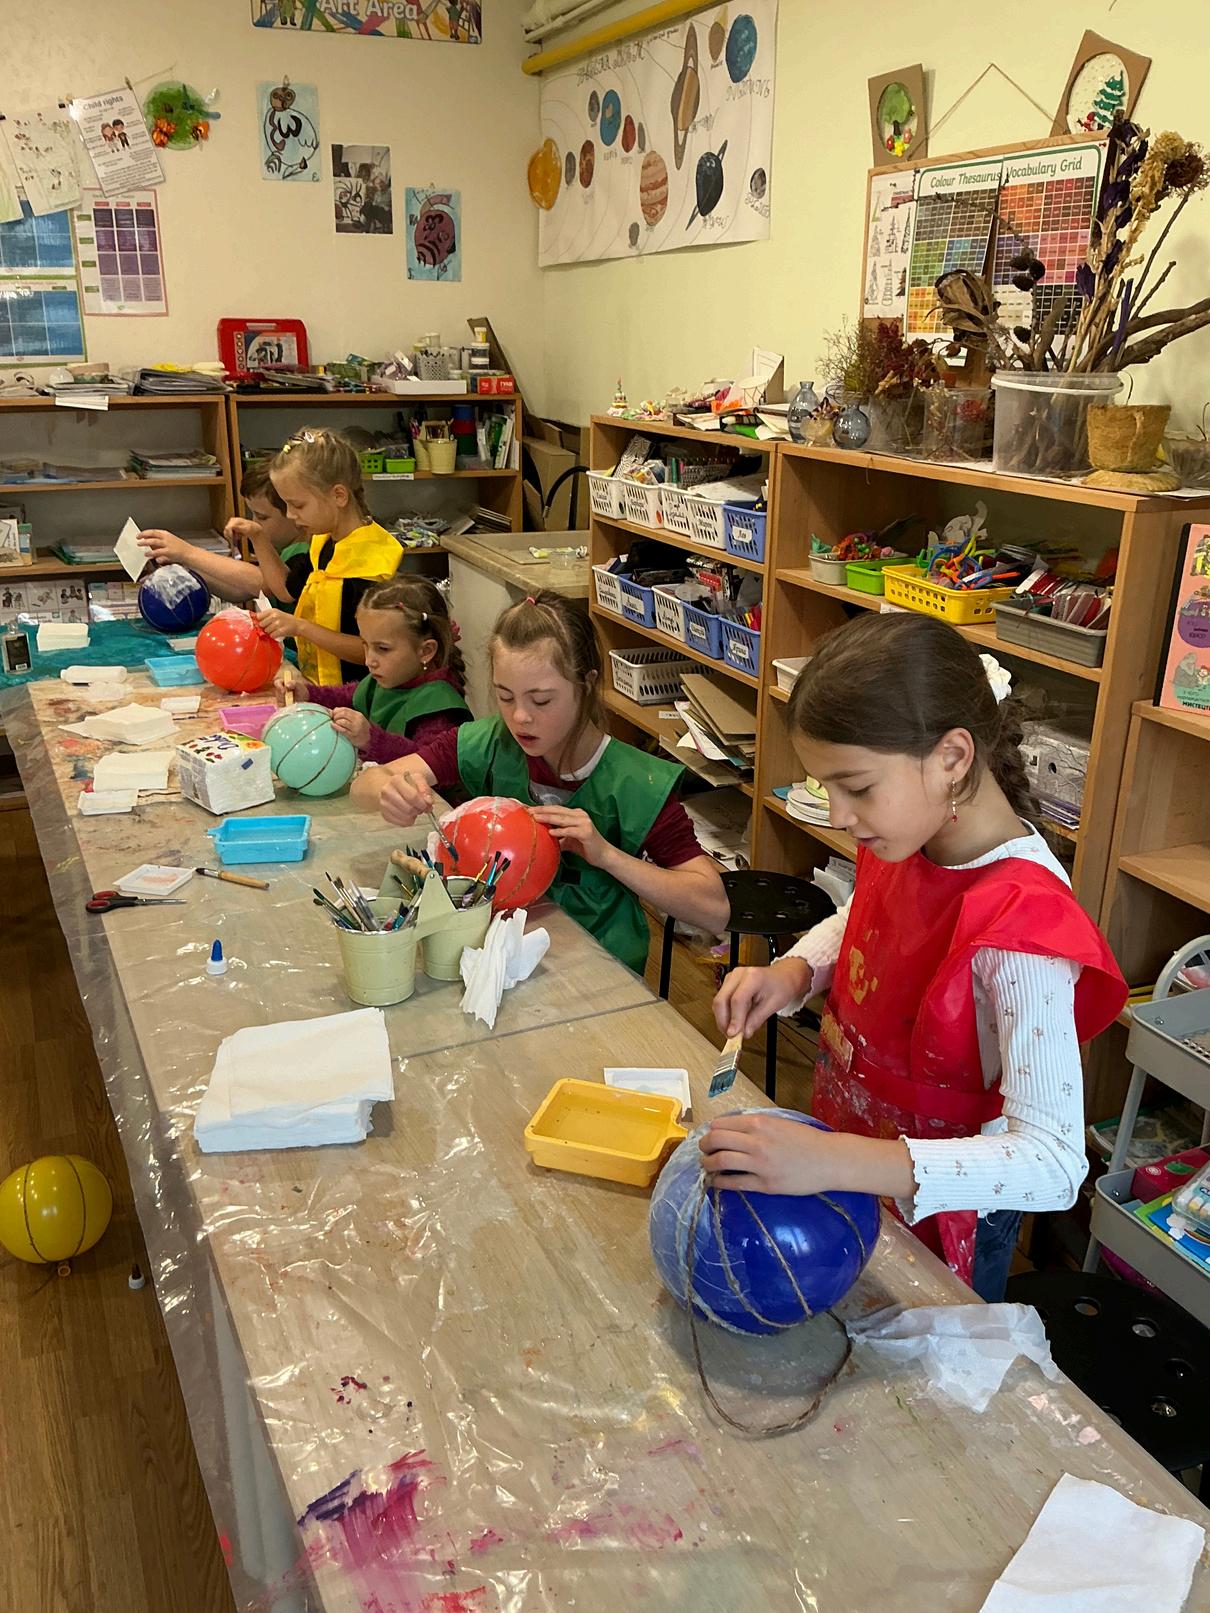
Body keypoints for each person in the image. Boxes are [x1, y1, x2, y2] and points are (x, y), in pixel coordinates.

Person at [703, 613, 1126, 1302]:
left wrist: (832, 1159)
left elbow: (1051, 1163)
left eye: (856, 786)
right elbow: (866, 916)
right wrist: (796, 970)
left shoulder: (1024, 926)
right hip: (849, 1155)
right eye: (827, 787)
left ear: (953, 758)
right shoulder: (910, 831)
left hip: (943, 1214)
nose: (838, 815)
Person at [352, 591, 729, 972]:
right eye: (505, 696)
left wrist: (608, 856)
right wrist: (390, 791)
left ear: (586, 683)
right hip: (494, 955)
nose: (520, 717)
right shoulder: (490, 743)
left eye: (542, 700)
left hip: (599, 969)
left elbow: (714, 909)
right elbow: (364, 786)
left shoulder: (637, 782)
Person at [240, 428, 402, 685]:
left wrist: (301, 627)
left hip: (361, 694)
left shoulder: (372, 563)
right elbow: (285, 590)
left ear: (338, 495)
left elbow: (371, 651)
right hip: (323, 689)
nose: (290, 515)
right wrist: (258, 537)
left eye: (298, 505)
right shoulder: (324, 543)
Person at [276, 576, 470, 763]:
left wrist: (370, 739)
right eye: (365, 645)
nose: (369, 660)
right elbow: (350, 696)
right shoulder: (395, 676)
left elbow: (429, 763)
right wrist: (308, 694)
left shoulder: (439, 708)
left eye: (382, 649)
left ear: (426, 651)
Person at [138, 459, 307, 604]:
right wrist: (185, 568)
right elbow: (240, 590)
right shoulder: (282, 550)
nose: (255, 523)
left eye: (262, 517)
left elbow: (265, 584)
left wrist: (187, 553)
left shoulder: (303, 552)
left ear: (295, 512)